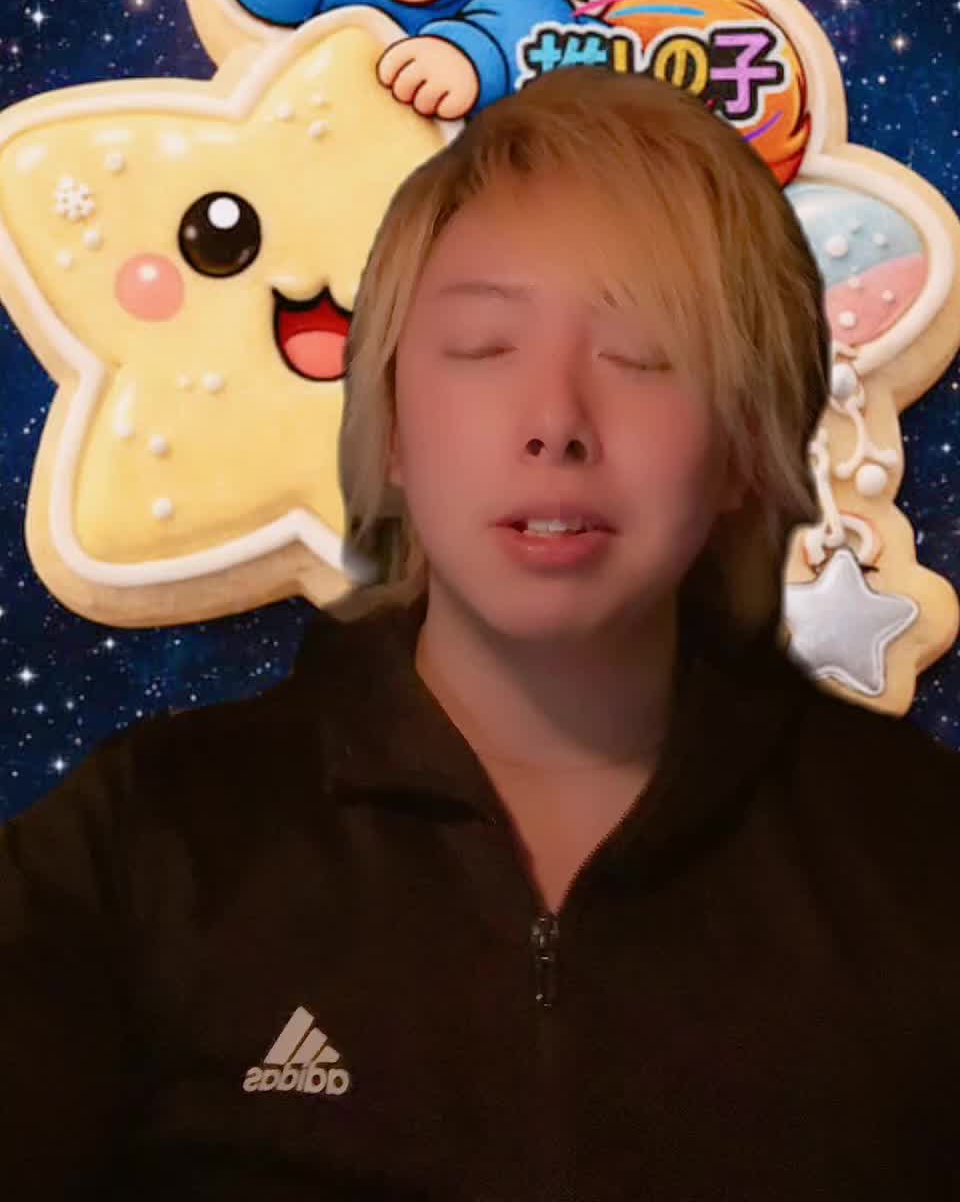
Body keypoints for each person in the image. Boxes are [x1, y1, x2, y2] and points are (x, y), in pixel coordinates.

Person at [3, 66, 960, 1201]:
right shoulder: (141, 846)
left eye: (645, 353)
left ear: (746, 449)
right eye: (482, 346)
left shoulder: (921, 859)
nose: (554, 422)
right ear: (391, 427)